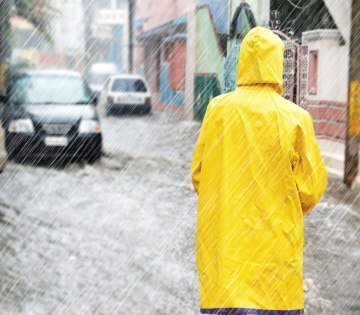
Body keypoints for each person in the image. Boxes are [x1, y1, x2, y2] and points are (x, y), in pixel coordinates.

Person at [191, 26, 328, 315]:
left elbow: (199, 176)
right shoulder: (296, 119)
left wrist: (230, 195)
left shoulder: (218, 110)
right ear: (277, 64)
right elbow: (311, 189)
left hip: (224, 275)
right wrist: (276, 203)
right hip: (275, 278)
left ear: (242, 63)